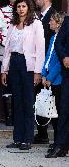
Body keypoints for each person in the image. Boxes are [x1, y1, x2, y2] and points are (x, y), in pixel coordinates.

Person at [1, 0, 45, 150]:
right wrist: (4, 70)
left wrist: (38, 72)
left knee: (27, 102)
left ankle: (27, 138)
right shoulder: (12, 25)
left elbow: (40, 49)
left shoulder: (36, 24)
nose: (20, 9)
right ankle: (17, 138)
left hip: (29, 66)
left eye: (23, 6)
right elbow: (7, 49)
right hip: (14, 63)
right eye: (18, 6)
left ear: (29, 8)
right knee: (17, 102)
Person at [0, 0, 23, 126]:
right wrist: (8, 43)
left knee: (19, 83)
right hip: (4, 52)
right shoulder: (1, 11)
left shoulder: (26, 11)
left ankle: (19, 115)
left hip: (22, 54)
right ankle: (9, 117)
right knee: (6, 84)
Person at [33, 0, 56, 144]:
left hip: (49, 65)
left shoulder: (54, 16)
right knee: (40, 98)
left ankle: (58, 138)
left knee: (52, 101)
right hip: (38, 65)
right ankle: (42, 134)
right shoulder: (37, 17)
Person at [41, 11, 65, 154]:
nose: (49, 23)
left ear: (58, 23)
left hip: (58, 80)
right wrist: (44, 74)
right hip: (50, 78)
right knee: (54, 114)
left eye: (51, 21)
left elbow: (59, 63)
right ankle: (56, 142)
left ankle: (59, 142)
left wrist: (50, 77)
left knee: (59, 114)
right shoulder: (52, 38)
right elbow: (47, 58)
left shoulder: (62, 39)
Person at [46, 15, 69, 158]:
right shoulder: (67, 22)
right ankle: (61, 146)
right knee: (65, 111)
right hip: (67, 73)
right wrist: (64, 56)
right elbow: (58, 43)